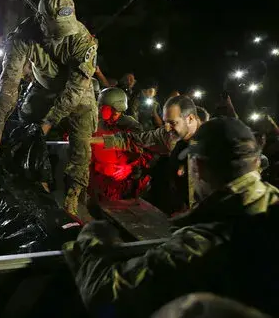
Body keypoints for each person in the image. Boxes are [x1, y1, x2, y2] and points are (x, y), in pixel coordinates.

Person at [65, 117, 279, 317]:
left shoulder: (200, 246)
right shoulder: (270, 207)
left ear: (199, 167)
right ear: (256, 163)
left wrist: (93, 239)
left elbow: (106, 296)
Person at [0, 0, 98, 218]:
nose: (61, 35)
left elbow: (75, 90)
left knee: (82, 143)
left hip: (77, 93)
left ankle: (73, 195)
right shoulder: (23, 36)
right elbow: (9, 81)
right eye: (56, 29)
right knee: (24, 127)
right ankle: (28, 180)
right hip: (42, 87)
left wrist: (49, 122)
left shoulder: (83, 40)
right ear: (41, 21)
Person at [92, 95, 201, 214]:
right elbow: (134, 140)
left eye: (172, 123)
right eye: (165, 122)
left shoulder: (213, 141)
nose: (167, 128)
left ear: (190, 119)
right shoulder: (167, 135)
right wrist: (92, 140)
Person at [90, 88, 153, 202]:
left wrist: (129, 168)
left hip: (120, 184)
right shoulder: (97, 124)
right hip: (99, 179)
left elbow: (145, 153)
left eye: (103, 107)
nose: (100, 109)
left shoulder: (130, 126)